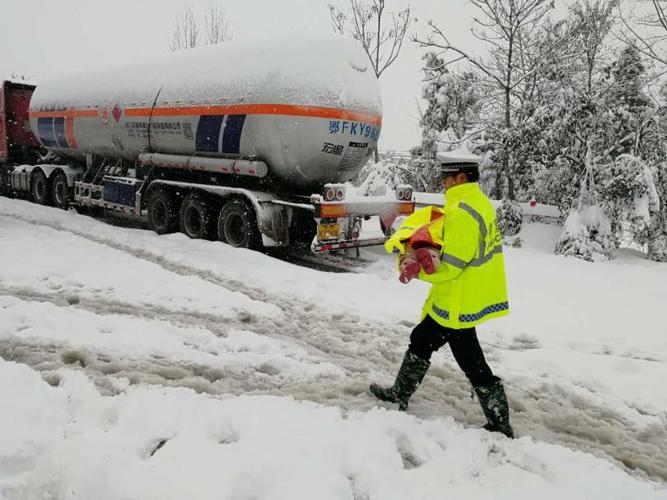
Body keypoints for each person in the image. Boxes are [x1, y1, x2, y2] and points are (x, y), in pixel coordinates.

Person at [370, 152, 514, 438]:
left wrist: (417, 271)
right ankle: (400, 393)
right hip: (461, 296)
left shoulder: (463, 210)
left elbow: (453, 265)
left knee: (469, 360)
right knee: (424, 339)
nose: (443, 184)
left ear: (461, 177)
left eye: (447, 178)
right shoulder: (478, 203)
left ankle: (499, 422)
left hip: (457, 299)